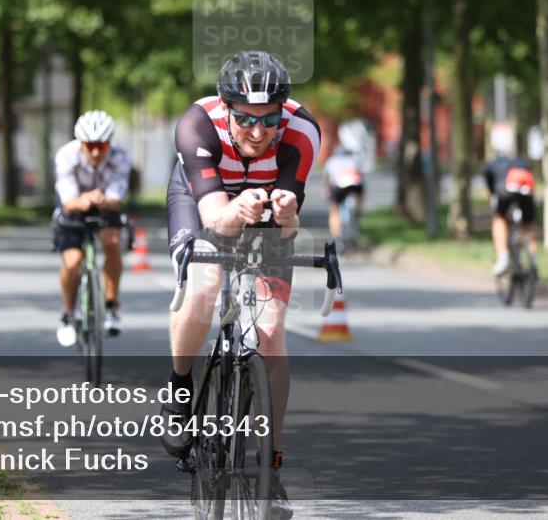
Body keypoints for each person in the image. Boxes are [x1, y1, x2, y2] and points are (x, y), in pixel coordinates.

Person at [161, 50, 320, 518]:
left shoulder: (303, 131)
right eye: (245, 119)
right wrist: (238, 210)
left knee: (270, 334)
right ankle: (180, 388)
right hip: (202, 204)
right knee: (205, 284)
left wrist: (287, 216)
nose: (257, 131)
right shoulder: (197, 125)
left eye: (269, 119)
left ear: (283, 112)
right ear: (226, 108)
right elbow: (214, 219)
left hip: (264, 214)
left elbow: (287, 225)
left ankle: (270, 467)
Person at [53, 110, 132, 346]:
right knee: (73, 261)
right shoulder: (66, 155)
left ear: (110, 143)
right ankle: (68, 314)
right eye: (90, 145)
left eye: (102, 145)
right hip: (75, 205)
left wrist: (102, 200)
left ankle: (111, 306)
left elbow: (116, 197)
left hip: (105, 204)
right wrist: (85, 200)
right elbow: (68, 201)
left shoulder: (121, 156)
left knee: (112, 242)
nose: (96, 151)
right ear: (81, 143)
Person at [483, 126, 538, 276]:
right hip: (526, 192)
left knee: (499, 218)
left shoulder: (492, 164)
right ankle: (533, 259)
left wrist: (492, 199)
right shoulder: (521, 162)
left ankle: (503, 257)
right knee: (528, 224)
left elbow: (491, 190)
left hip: (505, 193)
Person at [323, 119, 367, 242]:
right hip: (356, 185)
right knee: (360, 197)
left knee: (334, 209)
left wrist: (327, 191)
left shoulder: (331, 161)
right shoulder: (354, 160)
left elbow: (327, 180)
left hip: (339, 186)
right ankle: (358, 213)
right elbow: (362, 177)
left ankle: (336, 235)